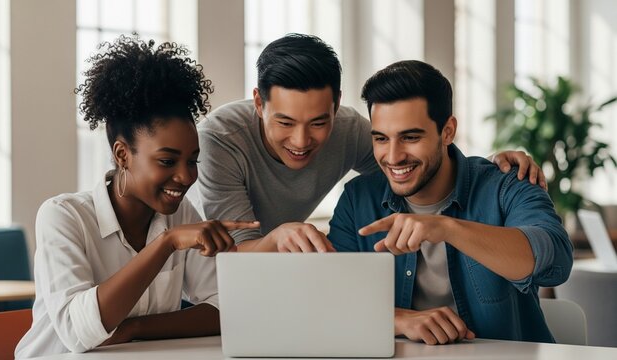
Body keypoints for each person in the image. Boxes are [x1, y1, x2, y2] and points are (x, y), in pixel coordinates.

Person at [15, 36, 258, 358]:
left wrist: (134, 329)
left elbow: (224, 308)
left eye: (192, 160)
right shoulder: (63, 216)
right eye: (167, 161)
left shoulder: (182, 215)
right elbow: (78, 332)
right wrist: (166, 243)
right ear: (122, 155)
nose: (186, 176)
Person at [192, 33, 547, 253]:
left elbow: (416, 162)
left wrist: (488, 167)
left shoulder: (349, 130)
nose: (301, 141)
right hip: (206, 270)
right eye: (284, 122)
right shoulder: (221, 140)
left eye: (319, 122)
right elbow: (233, 257)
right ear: (258, 103)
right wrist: (278, 236)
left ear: (336, 104)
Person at [328, 60, 573, 345]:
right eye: (381, 138)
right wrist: (397, 319)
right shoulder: (357, 200)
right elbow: (332, 301)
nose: (393, 157)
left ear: (447, 131)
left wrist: (446, 228)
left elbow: (555, 259)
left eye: (410, 137)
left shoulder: (507, 184)